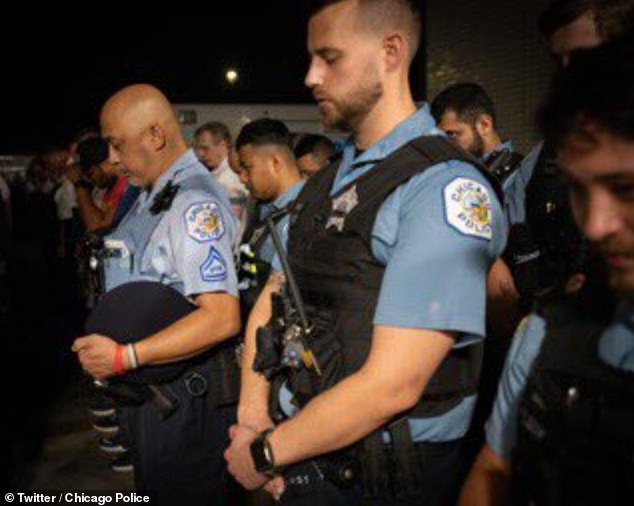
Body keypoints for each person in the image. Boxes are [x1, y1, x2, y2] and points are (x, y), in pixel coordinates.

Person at [225, 1, 506, 505]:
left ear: (390, 52)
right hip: (299, 443)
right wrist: (252, 415)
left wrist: (265, 452)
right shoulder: (325, 183)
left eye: (329, 57)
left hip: (380, 474)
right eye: (311, 58)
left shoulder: (442, 189)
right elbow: (274, 293)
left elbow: (393, 385)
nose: (311, 76)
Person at [459, 37, 634, 506]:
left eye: (625, 188)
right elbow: (493, 469)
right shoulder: (545, 333)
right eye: (580, 189)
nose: (595, 225)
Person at [72, 84, 241, 505]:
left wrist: (125, 357)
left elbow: (221, 316)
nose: (112, 159)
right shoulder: (151, 192)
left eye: (117, 145)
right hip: (154, 395)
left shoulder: (192, 202)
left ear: (155, 136)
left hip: (183, 400)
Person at [234, 118, 305, 324]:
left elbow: (277, 292)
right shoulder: (263, 211)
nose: (242, 178)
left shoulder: (302, 214)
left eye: (248, 168)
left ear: (275, 162)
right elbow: (248, 274)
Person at [430, 82, 523, 184]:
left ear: (484, 125)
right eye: (441, 138)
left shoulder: (522, 176)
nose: (446, 146)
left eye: (452, 135)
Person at [193, 121, 249, 223]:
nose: (201, 154)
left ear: (223, 145)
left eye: (205, 148)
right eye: (198, 149)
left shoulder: (229, 179)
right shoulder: (216, 174)